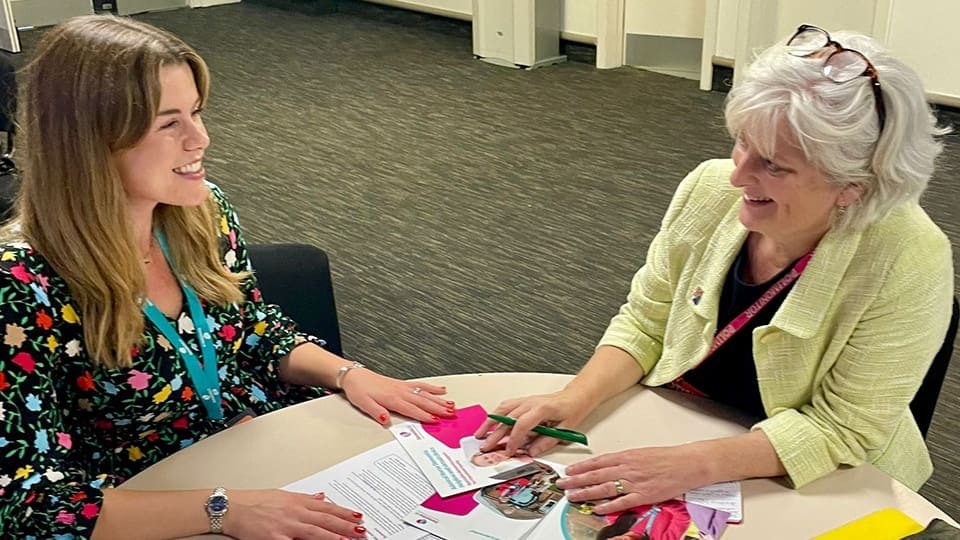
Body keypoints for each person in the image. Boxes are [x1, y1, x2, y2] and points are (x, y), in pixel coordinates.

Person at [0, 15, 457, 539]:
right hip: (152, 501)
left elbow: (255, 330)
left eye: (195, 112)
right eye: (169, 123)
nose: (200, 138)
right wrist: (224, 509)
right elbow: (25, 502)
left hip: (260, 450)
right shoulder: (19, 284)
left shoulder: (200, 210)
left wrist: (348, 373)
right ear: (91, 142)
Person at [476, 24, 954, 516]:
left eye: (773, 165)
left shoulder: (909, 256)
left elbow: (843, 429)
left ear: (853, 185)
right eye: (742, 142)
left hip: (821, 478)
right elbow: (646, 322)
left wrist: (692, 464)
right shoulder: (710, 189)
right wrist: (573, 398)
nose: (738, 175)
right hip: (683, 422)